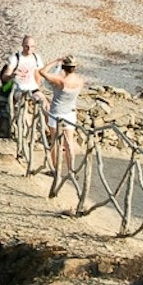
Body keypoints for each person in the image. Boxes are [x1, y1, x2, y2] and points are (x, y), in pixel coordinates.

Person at [44, 56, 87, 188]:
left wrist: (55, 62)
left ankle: (56, 170)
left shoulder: (60, 80)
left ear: (64, 67)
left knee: (55, 142)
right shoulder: (80, 80)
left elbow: (42, 72)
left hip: (56, 113)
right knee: (69, 143)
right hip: (70, 113)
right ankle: (71, 170)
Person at [0, 36, 44, 104]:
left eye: (32, 46)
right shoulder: (15, 58)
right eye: (27, 46)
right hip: (19, 89)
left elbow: (37, 74)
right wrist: (12, 75)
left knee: (44, 103)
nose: (29, 49)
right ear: (22, 45)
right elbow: (4, 77)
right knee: (23, 101)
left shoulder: (36, 58)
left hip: (33, 89)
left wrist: (38, 88)